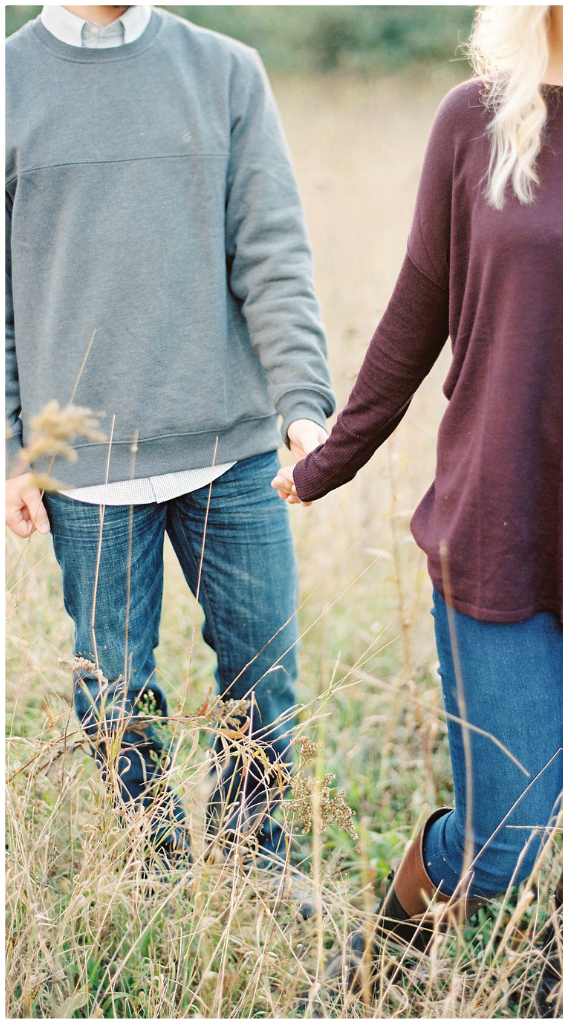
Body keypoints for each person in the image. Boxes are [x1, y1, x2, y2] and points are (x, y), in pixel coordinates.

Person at [273, 4, 563, 1015]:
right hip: (502, 520)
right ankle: (373, 978)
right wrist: (328, 461)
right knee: (505, 838)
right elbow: (418, 306)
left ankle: (560, 1001)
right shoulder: (474, 119)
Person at [5, 4, 334, 901]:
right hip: (84, 467)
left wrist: (304, 406)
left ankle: (254, 859)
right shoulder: (7, 82)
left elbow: (272, 253)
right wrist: (10, 451)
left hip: (233, 449)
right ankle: (153, 871)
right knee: (114, 695)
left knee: (265, 674)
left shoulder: (226, 70)